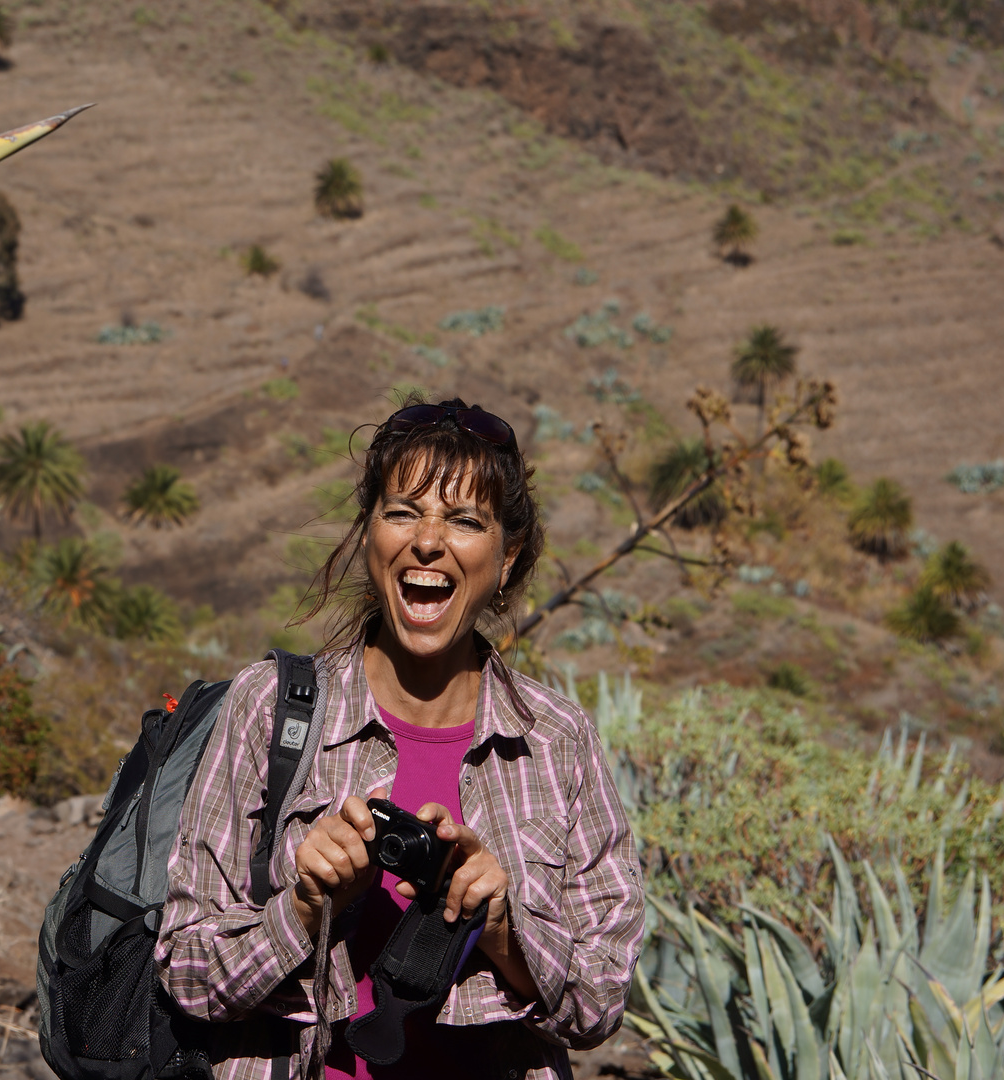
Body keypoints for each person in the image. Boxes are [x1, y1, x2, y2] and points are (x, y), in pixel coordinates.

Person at [156, 398, 644, 1079]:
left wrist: (499, 928)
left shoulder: (555, 740)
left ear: (507, 559)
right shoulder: (271, 711)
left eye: (466, 521)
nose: (428, 541)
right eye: (402, 511)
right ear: (369, 536)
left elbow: (600, 1000)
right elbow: (185, 972)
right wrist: (304, 907)